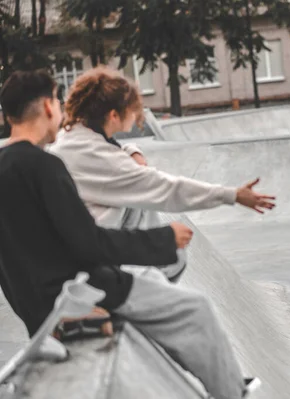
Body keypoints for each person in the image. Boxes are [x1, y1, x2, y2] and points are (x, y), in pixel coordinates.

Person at [0, 69, 248, 399]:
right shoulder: (44, 167)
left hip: (32, 306)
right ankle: (235, 393)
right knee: (194, 309)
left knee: (152, 281)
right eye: (58, 102)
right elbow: (90, 244)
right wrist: (164, 240)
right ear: (48, 107)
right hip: (78, 294)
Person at [47, 66, 276, 282]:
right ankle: (138, 293)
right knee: (174, 257)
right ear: (114, 115)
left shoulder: (73, 138)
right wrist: (232, 195)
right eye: (133, 109)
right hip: (89, 260)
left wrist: (130, 150)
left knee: (142, 204)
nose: (137, 115)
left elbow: (107, 153)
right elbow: (167, 189)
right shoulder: (101, 157)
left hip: (72, 246)